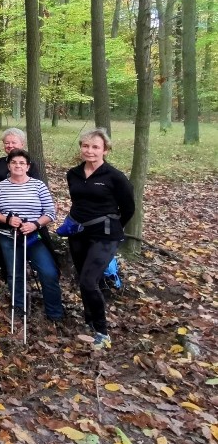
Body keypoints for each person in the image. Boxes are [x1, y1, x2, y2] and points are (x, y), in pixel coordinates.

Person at [65, 128, 134, 349]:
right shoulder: (73, 174)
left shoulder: (115, 177)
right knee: (83, 279)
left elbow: (129, 208)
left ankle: (102, 332)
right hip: (77, 232)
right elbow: (77, 201)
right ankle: (89, 320)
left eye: (95, 147)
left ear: (105, 150)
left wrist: (114, 228)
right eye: (86, 146)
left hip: (105, 236)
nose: (90, 150)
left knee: (88, 281)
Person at [0, 149, 63, 322]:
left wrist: (35, 224)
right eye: (14, 163)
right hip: (8, 236)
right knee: (15, 274)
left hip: (33, 238)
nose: (18, 166)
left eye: (22, 163)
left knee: (48, 272)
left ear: (28, 166)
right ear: (8, 166)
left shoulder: (38, 185)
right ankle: (19, 308)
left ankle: (55, 312)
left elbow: (50, 212)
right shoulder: (1, 186)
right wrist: (8, 219)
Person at [0, 128, 41, 270]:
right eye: (6, 143)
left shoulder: (29, 164)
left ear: (22, 144)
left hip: (21, 211)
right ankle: (1, 266)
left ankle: (18, 268)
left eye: (14, 142)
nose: (10, 145)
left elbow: (37, 188)